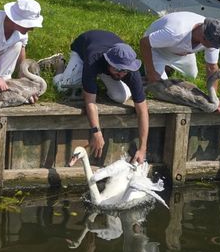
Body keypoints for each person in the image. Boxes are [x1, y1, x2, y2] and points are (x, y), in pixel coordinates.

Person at [52, 30, 150, 163]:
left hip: (106, 58)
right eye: (117, 69)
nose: (121, 74)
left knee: (121, 97)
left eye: (124, 71)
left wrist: (142, 148)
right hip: (82, 49)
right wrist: (96, 132)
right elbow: (90, 102)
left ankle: (93, 82)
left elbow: (142, 109)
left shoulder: (131, 71)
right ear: (109, 62)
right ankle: (58, 64)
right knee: (63, 86)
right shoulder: (93, 59)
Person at [139, 13, 220, 112]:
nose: (214, 48)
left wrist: (215, 100)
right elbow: (144, 43)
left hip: (182, 51)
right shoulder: (176, 32)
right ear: (204, 37)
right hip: (158, 48)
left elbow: (212, 67)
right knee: (158, 85)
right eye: (212, 46)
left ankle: (168, 68)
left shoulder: (214, 38)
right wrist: (151, 72)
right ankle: (155, 70)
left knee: (192, 75)